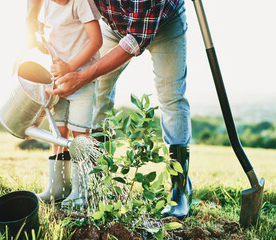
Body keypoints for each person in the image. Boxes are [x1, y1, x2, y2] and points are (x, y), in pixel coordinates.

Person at [27, 0, 192, 219]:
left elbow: (136, 40)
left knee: (171, 99)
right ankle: (94, 182)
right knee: (98, 96)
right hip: (112, 24)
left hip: (163, 23)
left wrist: (85, 75)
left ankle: (180, 190)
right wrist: (31, 20)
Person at [25, 0, 102, 207]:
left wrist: (70, 66)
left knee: (80, 137)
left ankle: (80, 191)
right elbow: (53, 36)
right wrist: (44, 45)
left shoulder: (81, 3)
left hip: (82, 82)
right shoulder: (47, 5)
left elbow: (96, 41)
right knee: (58, 133)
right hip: (58, 81)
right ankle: (58, 188)